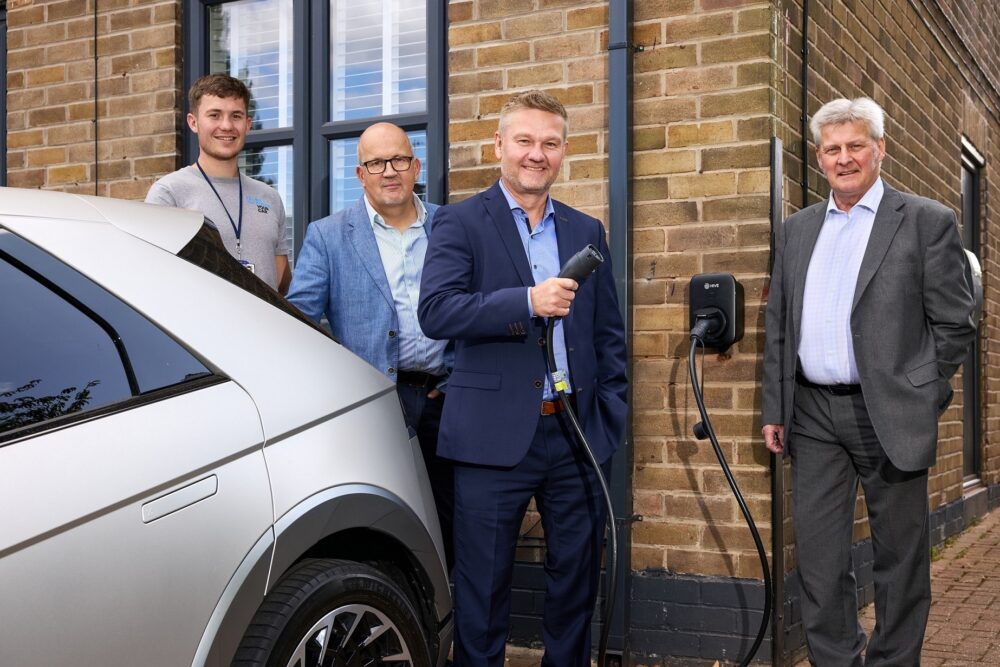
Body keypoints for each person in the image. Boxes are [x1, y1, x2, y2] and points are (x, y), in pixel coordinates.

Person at [761, 97, 976, 665]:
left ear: (880, 149)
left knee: (900, 559)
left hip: (889, 412)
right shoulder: (797, 229)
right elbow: (779, 323)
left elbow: (955, 323)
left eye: (856, 145)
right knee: (819, 559)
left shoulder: (926, 221)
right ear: (819, 157)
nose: (844, 158)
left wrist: (922, 392)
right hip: (812, 415)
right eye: (832, 149)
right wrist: (774, 407)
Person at [418, 90, 628, 666]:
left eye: (550, 143)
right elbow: (436, 312)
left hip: (576, 435)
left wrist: (608, 417)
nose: (537, 154)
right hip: (490, 435)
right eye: (525, 141)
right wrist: (526, 301)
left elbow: (609, 335)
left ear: (564, 151)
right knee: (482, 592)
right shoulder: (459, 221)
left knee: (575, 586)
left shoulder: (587, 230)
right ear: (499, 145)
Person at [285, 122, 453, 565]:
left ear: (416, 167)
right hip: (375, 403)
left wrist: (457, 378)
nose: (389, 171)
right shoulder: (328, 235)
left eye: (398, 159)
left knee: (452, 519)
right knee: (382, 521)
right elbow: (298, 323)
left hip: (446, 398)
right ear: (360, 175)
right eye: (376, 163)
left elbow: (475, 304)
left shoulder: (450, 225)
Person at [146, 73, 290, 293]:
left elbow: (280, 281)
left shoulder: (269, 198)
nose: (226, 125)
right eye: (214, 115)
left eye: (236, 116)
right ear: (193, 122)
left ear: (248, 124)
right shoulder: (169, 194)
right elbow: (155, 278)